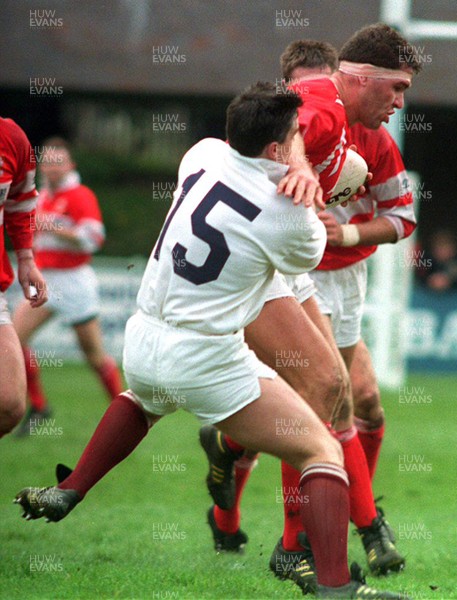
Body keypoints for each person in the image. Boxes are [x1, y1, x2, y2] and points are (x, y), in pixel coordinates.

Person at [15, 83, 408, 600]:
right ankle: (336, 586)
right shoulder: (289, 217)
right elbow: (302, 253)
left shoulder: (201, 154)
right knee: (319, 449)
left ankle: (70, 490)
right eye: (295, 137)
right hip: (203, 355)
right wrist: (316, 188)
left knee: (143, 399)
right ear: (277, 148)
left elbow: (245, 178)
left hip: (144, 338)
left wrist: (292, 166)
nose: (302, 145)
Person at [199, 25, 420, 591]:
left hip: (342, 278)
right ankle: (338, 534)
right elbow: (293, 133)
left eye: (404, 93)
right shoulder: (308, 118)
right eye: (396, 90)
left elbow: (403, 220)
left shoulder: (369, 137)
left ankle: (233, 459)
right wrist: (298, 169)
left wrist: (343, 235)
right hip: (285, 276)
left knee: (353, 400)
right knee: (321, 403)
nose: (400, 103)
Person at [12, 137, 122, 436]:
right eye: (48, 161)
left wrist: (56, 228)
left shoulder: (80, 195)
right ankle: (39, 406)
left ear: (70, 165)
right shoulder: (40, 196)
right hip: (46, 279)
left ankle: (125, 416)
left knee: (94, 356)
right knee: (12, 339)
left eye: (58, 161)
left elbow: (94, 238)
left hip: (74, 282)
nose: (52, 166)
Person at [0, 117, 48, 438]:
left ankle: (40, 406)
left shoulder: (11, 137)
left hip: (74, 284)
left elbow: (21, 199)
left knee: (9, 404)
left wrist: (26, 257)